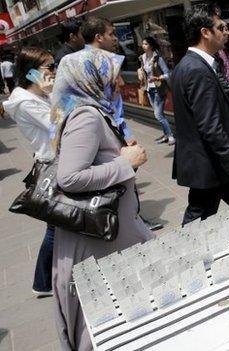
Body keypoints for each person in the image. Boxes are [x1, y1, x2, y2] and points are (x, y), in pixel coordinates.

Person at [50, 45, 154, 351]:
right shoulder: (86, 116)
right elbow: (68, 177)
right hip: (101, 240)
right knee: (103, 321)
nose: (120, 83)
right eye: (114, 77)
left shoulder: (90, 112)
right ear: (91, 78)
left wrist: (119, 150)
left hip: (108, 236)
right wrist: (125, 162)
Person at [172, 3, 229, 225]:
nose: (226, 31)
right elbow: (210, 125)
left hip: (211, 163)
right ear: (205, 33)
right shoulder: (197, 70)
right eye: (221, 27)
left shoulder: (192, 65)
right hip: (209, 164)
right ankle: (190, 255)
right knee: (198, 219)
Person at [82, 17, 162, 231]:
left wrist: (125, 133)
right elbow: (71, 177)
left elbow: (114, 112)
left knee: (126, 184)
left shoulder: (103, 61)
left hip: (115, 134)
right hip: (106, 142)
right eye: (112, 34)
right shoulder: (91, 66)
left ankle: (132, 221)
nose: (121, 83)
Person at [2, 47, 56, 297]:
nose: (54, 72)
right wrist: (55, 94)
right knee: (57, 226)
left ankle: (45, 281)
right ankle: (43, 281)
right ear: (32, 72)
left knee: (59, 225)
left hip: (57, 161)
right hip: (52, 165)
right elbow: (58, 123)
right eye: (50, 68)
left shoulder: (39, 96)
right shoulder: (25, 102)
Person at [139, 36, 175, 145]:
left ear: (150, 46)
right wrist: (140, 72)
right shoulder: (142, 58)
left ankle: (170, 136)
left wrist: (158, 77)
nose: (143, 45)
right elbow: (144, 71)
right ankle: (165, 135)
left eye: (145, 44)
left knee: (158, 115)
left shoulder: (158, 58)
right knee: (159, 115)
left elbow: (168, 74)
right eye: (143, 44)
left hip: (158, 89)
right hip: (149, 89)